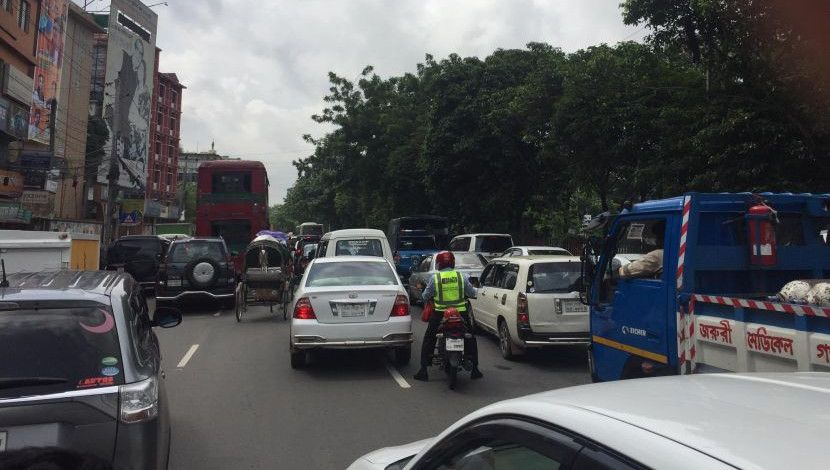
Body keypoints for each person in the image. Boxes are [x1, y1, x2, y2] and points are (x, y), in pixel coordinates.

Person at [414, 251, 482, 381]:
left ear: (439, 264)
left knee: (429, 338)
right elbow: (473, 293)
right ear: (453, 262)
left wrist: (426, 294)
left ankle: (423, 370)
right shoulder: (461, 276)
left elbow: (425, 296)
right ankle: (475, 369)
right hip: (460, 313)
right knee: (470, 338)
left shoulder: (435, 278)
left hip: (440, 314)